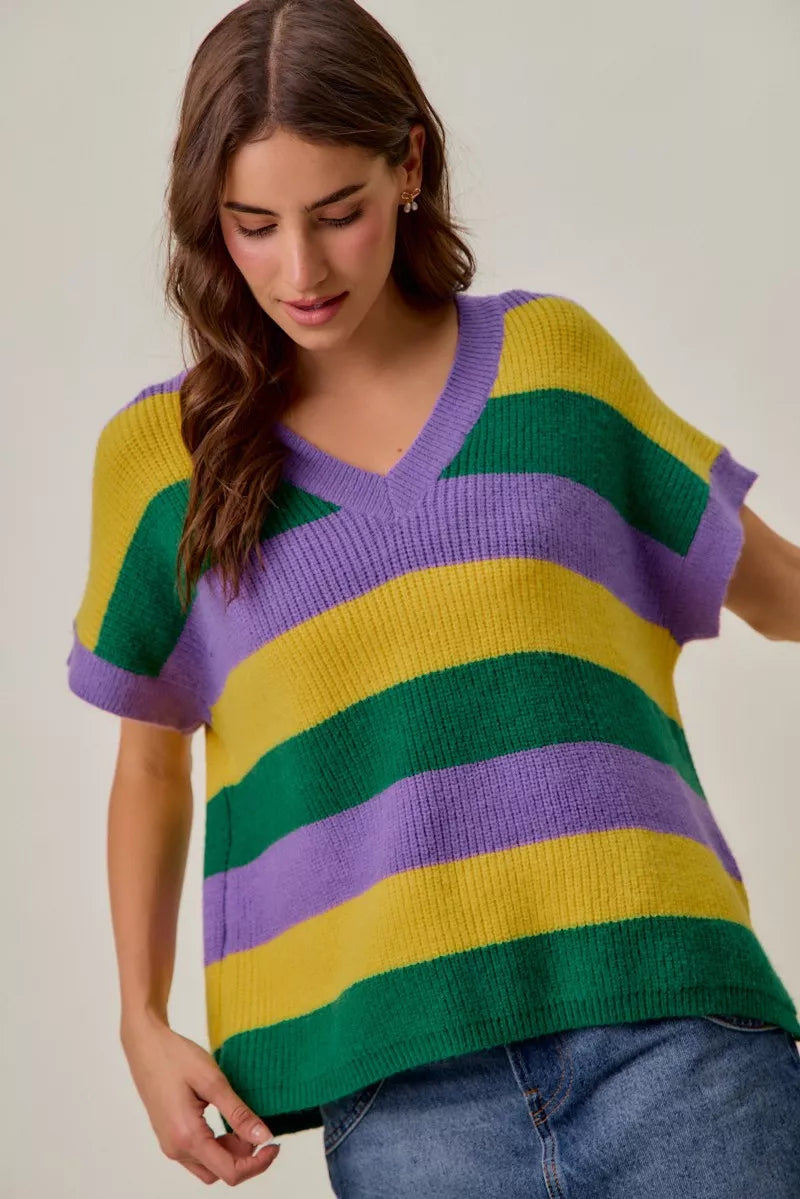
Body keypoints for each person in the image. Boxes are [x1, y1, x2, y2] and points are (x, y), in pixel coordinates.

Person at [66, 0, 800, 1194]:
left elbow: (776, 587)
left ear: (408, 165)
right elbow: (149, 765)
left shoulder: (552, 365)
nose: (299, 270)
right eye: (253, 225)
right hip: (403, 1098)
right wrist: (138, 1021)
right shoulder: (166, 461)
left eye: (337, 213)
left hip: (673, 1035)